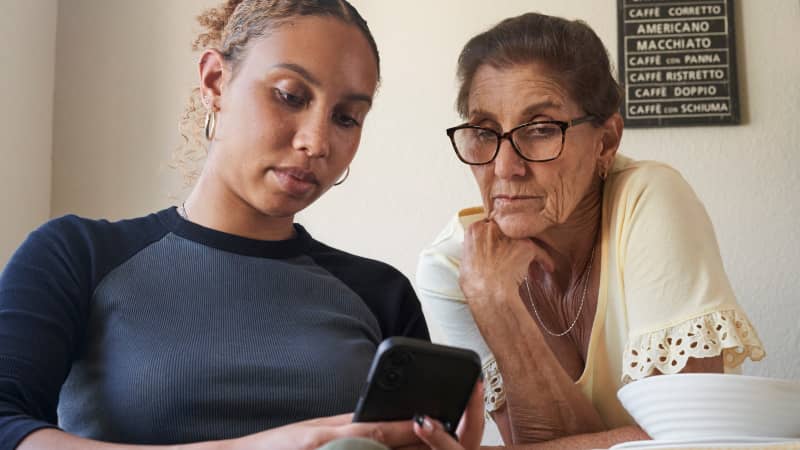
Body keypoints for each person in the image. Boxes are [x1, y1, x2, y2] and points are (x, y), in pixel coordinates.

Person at [0, 1, 480, 449]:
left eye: (346, 118)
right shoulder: (75, 255)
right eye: (290, 96)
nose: (316, 141)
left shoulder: (382, 293)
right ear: (214, 82)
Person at [416, 12, 766, 449]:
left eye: (542, 130)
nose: (505, 167)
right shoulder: (454, 266)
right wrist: (494, 301)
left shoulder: (649, 199)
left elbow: (686, 444)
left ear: (606, 142)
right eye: (485, 132)